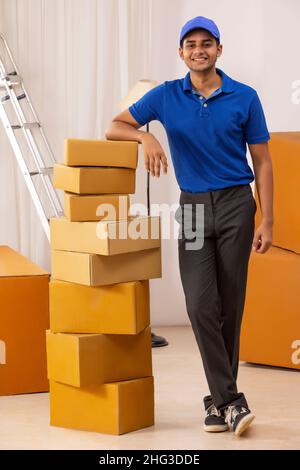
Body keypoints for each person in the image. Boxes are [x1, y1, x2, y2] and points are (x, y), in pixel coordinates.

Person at [105, 15, 273, 437]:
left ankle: (218, 404)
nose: (199, 49)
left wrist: (268, 218)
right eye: (191, 44)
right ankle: (230, 401)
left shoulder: (245, 97)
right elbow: (115, 126)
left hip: (237, 204)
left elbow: (263, 160)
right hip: (194, 208)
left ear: (219, 50)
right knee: (200, 304)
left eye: (207, 43)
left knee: (230, 306)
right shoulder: (165, 96)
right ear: (181, 53)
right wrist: (146, 137)